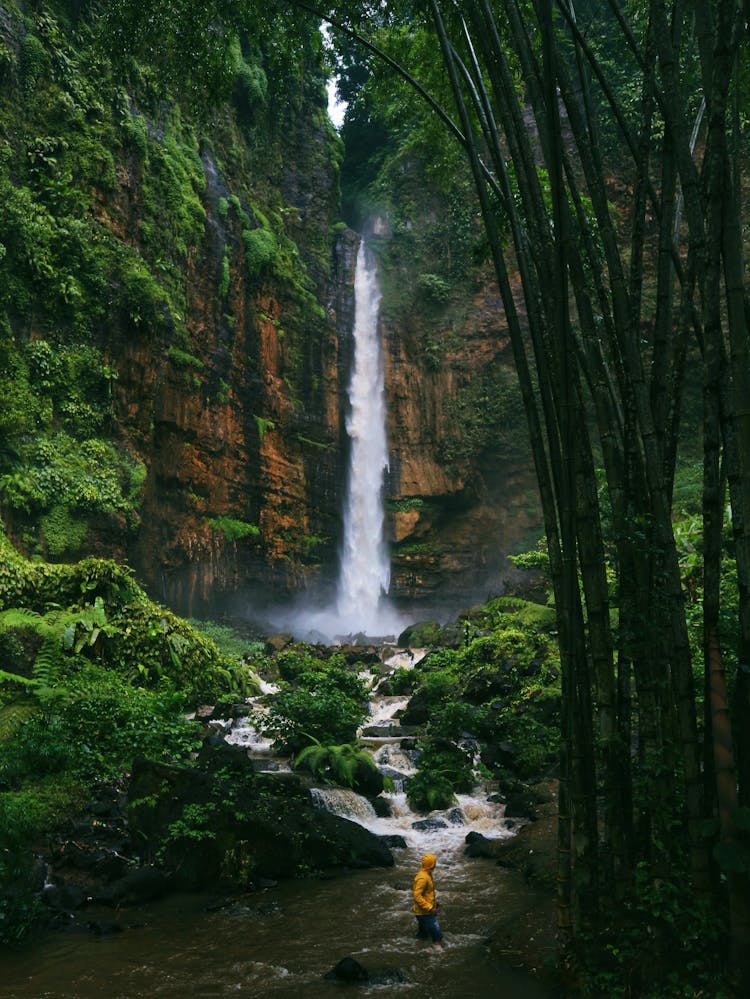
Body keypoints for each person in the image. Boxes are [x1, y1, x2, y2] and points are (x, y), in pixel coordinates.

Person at [412, 853, 444, 947]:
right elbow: (417, 895)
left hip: (421, 912)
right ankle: (441, 954)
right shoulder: (423, 878)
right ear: (432, 864)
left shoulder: (426, 874)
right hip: (425, 913)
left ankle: (417, 948)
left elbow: (427, 893)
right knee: (438, 937)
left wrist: (434, 903)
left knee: (423, 936)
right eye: (434, 863)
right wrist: (430, 908)